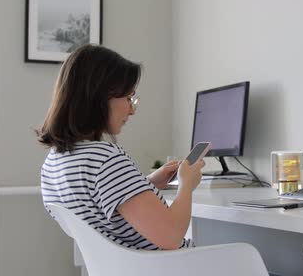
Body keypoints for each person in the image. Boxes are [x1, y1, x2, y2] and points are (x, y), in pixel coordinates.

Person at [37, 44, 203, 250]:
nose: (132, 110)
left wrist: (146, 183)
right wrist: (186, 185)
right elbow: (171, 237)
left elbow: (100, 205)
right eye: (128, 98)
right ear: (100, 97)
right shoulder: (105, 160)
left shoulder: (54, 163)